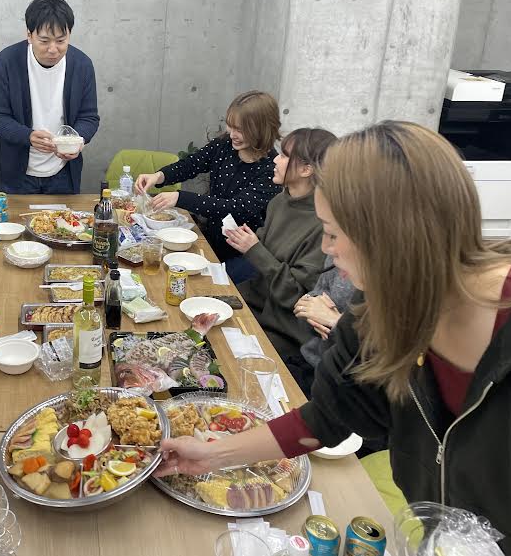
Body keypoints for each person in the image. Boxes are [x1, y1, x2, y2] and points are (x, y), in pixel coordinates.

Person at [156, 121, 511, 556]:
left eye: (333, 233)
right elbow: (325, 419)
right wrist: (211, 454)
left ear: (394, 232)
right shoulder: (380, 311)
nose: (326, 249)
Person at [135, 91, 281, 265]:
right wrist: (159, 176)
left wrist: (180, 198)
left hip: (243, 257)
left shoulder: (272, 168)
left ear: (262, 129)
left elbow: (237, 208)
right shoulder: (224, 145)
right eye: (230, 126)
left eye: (240, 130)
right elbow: (191, 164)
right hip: (211, 239)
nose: (232, 134)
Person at [227, 127, 337, 359]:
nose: (275, 160)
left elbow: (297, 297)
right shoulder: (279, 201)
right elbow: (264, 255)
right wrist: (247, 242)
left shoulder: (323, 224)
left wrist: (254, 249)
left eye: (285, 156)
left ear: (306, 169)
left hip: (283, 333)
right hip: (252, 303)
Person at [0, 0, 99, 194]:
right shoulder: (7, 62)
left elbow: (89, 117)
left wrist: (77, 141)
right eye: (44, 41)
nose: (53, 49)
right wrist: (28, 136)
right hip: (18, 175)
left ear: (69, 35)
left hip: (64, 173)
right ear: (29, 35)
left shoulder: (82, 65)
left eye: (61, 41)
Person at [288, 255, 356, 396]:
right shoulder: (338, 252)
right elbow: (315, 297)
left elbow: (380, 352)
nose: (326, 248)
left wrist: (337, 323)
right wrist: (310, 307)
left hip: (347, 389)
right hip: (311, 362)